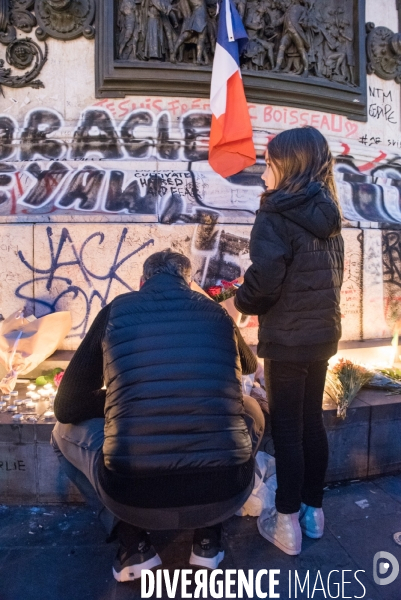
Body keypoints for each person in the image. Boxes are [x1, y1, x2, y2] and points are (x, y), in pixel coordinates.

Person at [52, 250, 264, 582]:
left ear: (141, 282)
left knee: (60, 432)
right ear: (190, 282)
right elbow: (250, 367)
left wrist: (120, 399)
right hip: (226, 488)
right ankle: (208, 538)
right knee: (252, 412)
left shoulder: (117, 311)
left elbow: (67, 407)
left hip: (133, 494)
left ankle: (132, 544)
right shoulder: (215, 312)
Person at [235, 126, 344, 556]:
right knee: (311, 422)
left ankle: (286, 524)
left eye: (268, 161)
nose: (263, 172)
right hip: (321, 337)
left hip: (286, 339)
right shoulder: (329, 211)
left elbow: (265, 282)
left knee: (287, 430)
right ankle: (314, 513)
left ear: (289, 164)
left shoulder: (276, 213)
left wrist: (239, 300)